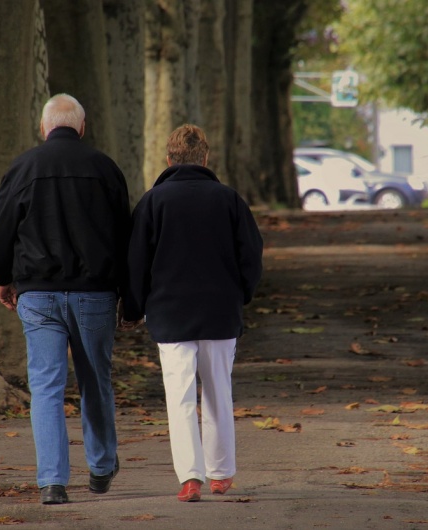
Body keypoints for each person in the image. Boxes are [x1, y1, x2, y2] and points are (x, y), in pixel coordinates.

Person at [0, 93, 130, 505]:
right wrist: (129, 294)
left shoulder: (23, 167)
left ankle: (52, 481)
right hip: (95, 294)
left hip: (38, 293)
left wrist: (2, 277)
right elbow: (126, 237)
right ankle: (101, 467)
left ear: (44, 128)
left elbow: (0, 233)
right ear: (82, 127)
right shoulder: (105, 169)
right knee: (95, 381)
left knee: (46, 387)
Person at [122, 124, 263, 502]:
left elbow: (136, 262)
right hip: (220, 311)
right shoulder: (230, 200)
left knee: (179, 397)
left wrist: (133, 308)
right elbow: (251, 255)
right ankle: (221, 472)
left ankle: (190, 476)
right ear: (205, 158)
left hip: (169, 314)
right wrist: (242, 295)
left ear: (168, 160)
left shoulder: (153, 202)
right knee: (219, 390)